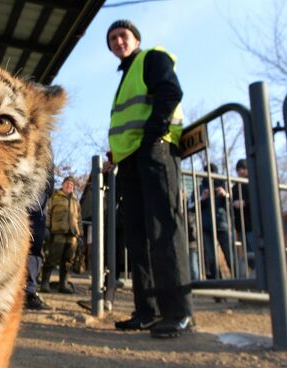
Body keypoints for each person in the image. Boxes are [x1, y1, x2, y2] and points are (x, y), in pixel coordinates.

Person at [106, 19, 193, 338]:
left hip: (155, 152)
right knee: (138, 237)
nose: (117, 41)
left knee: (163, 229)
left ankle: (178, 311)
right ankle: (147, 310)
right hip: (130, 162)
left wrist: (153, 133)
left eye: (122, 35)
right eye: (112, 38)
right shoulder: (126, 74)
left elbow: (171, 92)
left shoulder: (152, 58)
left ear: (136, 39)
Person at [41, 176, 82, 294]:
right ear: (63, 185)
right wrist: (47, 228)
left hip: (73, 235)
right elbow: (48, 213)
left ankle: (63, 285)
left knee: (68, 261)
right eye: (67, 184)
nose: (69, 186)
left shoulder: (75, 200)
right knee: (52, 258)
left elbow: (79, 219)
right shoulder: (55, 197)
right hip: (58, 233)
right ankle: (45, 283)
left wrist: (80, 235)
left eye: (72, 185)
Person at [24, 166, 55, 310]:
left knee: (34, 245)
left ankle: (29, 292)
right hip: (18, 183)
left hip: (39, 192)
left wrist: (48, 189)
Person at [200, 163, 233, 279]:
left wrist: (225, 195)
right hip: (206, 227)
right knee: (211, 258)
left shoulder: (223, 184)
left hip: (221, 224)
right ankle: (218, 287)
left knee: (230, 255)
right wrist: (202, 199)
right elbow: (191, 206)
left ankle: (241, 284)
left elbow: (232, 204)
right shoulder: (200, 187)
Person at [232, 158, 254, 272]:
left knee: (255, 253)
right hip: (241, 226)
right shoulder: (235, 187)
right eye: (239, 169)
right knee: (248, 254)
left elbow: (258, 200)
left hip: (253, 225)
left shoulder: (254, 183)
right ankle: (256, 275)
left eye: (244, 168)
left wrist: (245, 203)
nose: (241, 171)